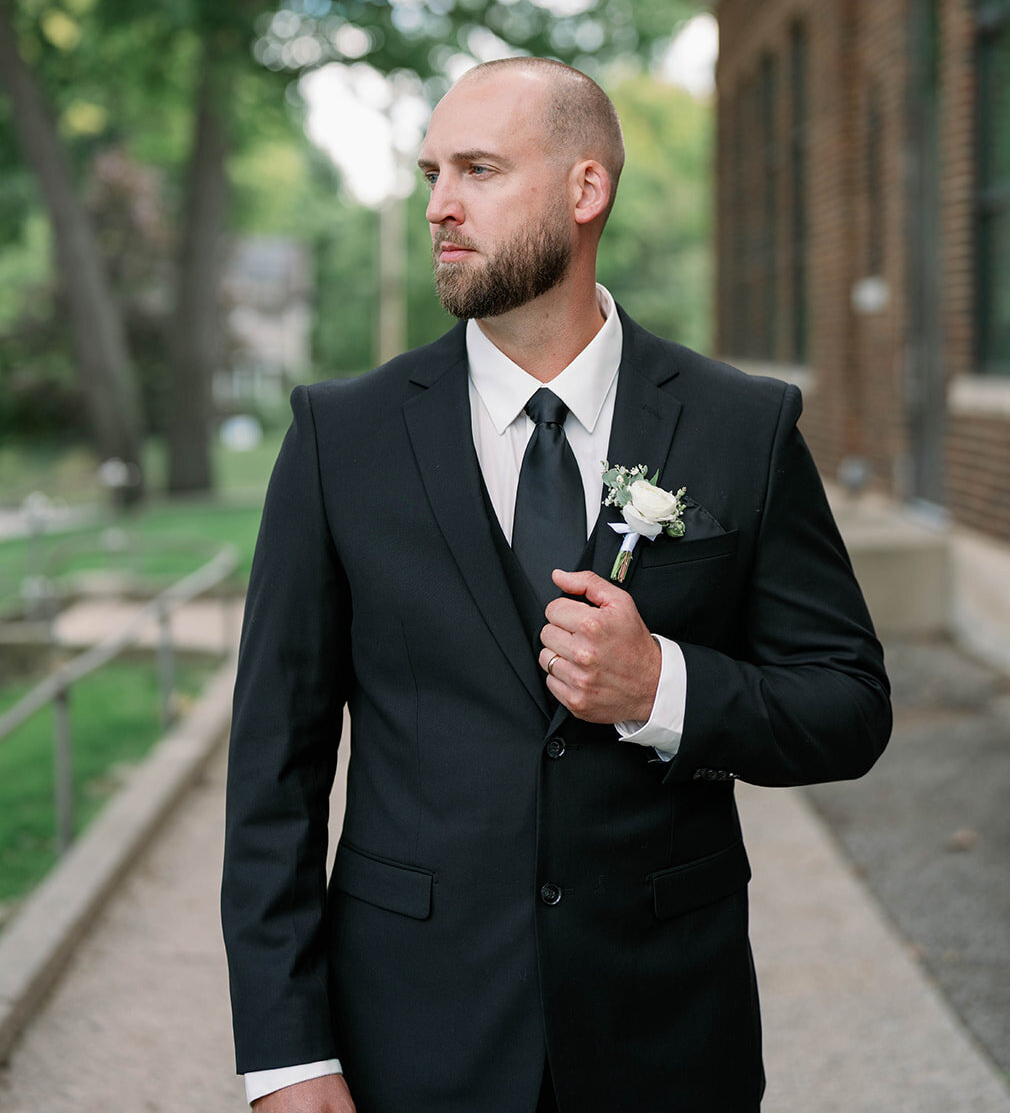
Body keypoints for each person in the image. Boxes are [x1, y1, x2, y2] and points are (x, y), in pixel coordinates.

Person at [221, 56, 891, 1113]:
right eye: (431, 171)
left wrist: (663, 688)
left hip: (666, 1038)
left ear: (586, 190)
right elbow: (274, 772)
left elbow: (847, 705)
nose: (439, 204)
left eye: (479, 169)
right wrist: (287, 1056)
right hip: (410, 1031)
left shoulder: (739, 426)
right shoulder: (336, 439)